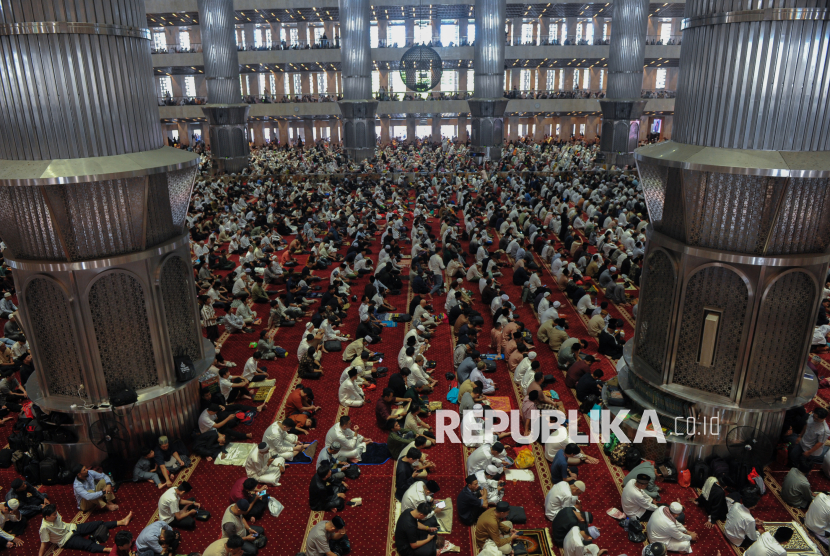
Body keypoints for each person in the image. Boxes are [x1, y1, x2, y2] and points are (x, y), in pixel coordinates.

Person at [38, 504, 132, 555]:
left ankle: (122, 522)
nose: (56, 515)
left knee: (98, 523)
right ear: (47, 517)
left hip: (72, 527)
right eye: (54, 514)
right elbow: (44, 542)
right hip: (66, 539)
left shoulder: (54, 513)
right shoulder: (44, 528)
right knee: (88, 545)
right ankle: (107, 549)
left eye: (55, 513)